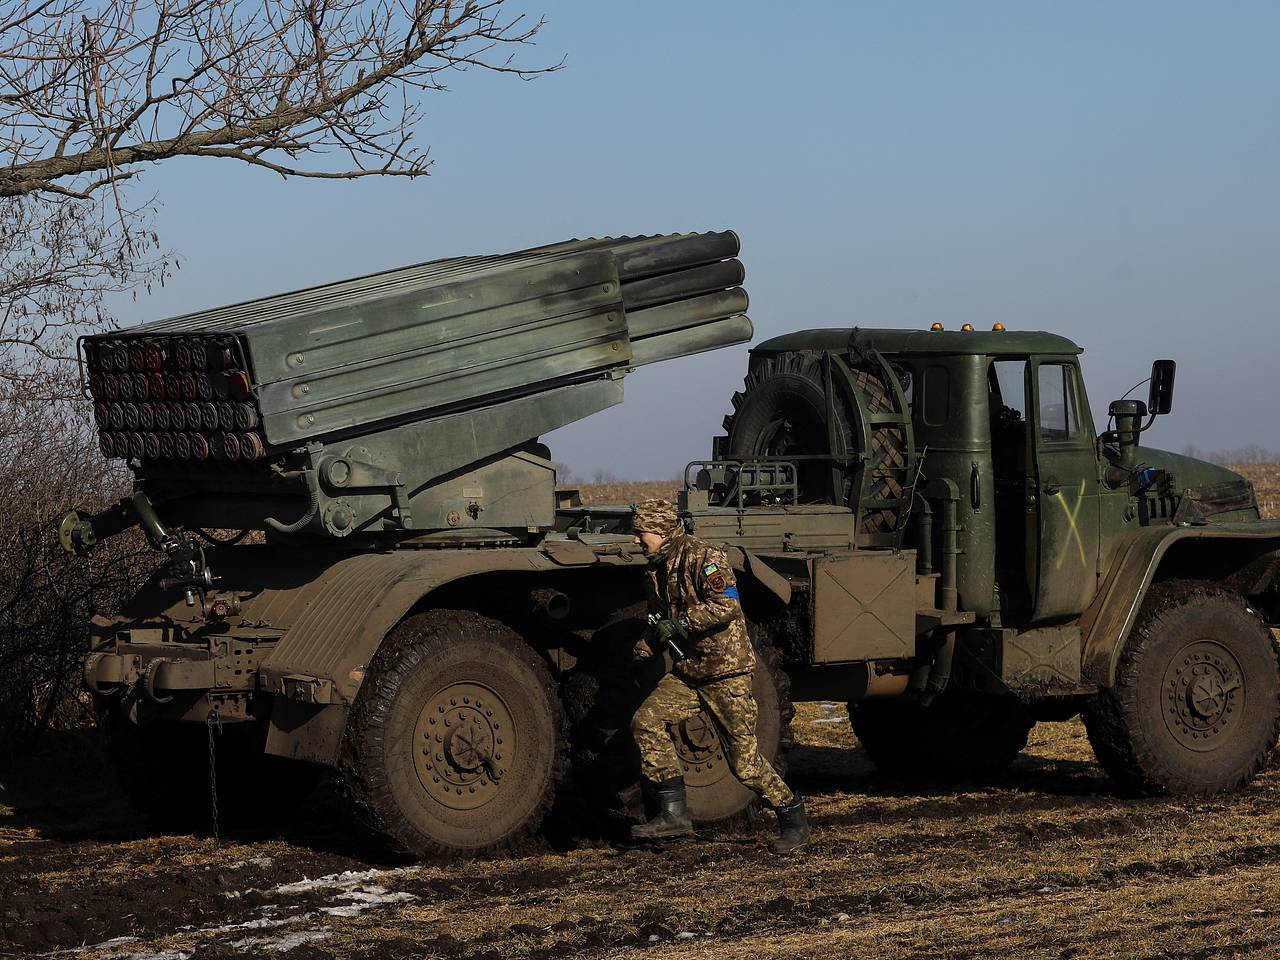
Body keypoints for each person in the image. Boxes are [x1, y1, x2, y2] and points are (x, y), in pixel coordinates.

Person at [628, 498, 810, 856]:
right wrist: (646, 646)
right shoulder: (655, 570)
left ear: (661, 531)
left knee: (745, 765)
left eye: (641, 533)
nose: (636, 541)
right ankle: (673, 814)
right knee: (646, 721)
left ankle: (793, 817)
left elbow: (726, 605)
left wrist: (679, 625)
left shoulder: (705, 556)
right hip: (690, 674)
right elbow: (660, 621)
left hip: (726, 673)